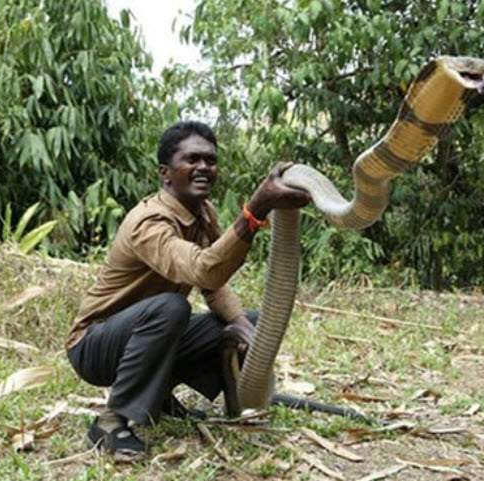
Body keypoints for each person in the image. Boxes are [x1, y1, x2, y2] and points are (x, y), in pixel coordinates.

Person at [65, 120, 311, 459]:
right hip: (95, 346)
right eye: (191, 160)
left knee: (243, 321)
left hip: (145, 335)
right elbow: (204, 270)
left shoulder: (203, 213)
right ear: (166, 172)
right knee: (170, 308)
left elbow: (215, 286)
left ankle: (190, 400)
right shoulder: (149, 222)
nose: (204, 168)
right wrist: (255, 210)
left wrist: (238, 321)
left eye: (210, 160)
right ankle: (110, 423)